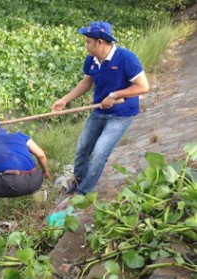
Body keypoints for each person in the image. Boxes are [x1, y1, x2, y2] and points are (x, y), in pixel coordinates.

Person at [51, 21, 150, 195]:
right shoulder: (91, 60)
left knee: (98, 153)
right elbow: (86, 82)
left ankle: (82, 193)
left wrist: (114, 96)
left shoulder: (126, 58)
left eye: (88, 41)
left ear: (100, 42)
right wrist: (64, 100)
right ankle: (77, 181)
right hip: (99, 111)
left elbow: (143, 87)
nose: (86, 45)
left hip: (121, 114)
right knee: (82, 148)